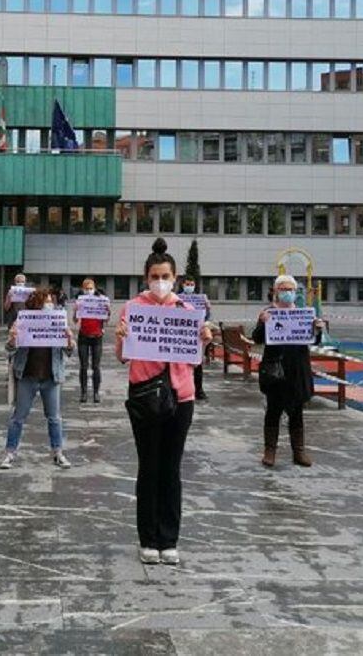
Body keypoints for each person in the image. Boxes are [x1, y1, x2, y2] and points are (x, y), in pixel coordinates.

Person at [116, 238, 212, 567]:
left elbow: (195, 361)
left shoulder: (187, 311)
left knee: (171, 468)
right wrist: (122, 336)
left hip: (180, 398)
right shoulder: (133, 308)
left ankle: (169, 539)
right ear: (146, 277)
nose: (160, 282)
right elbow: (122, 357)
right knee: (149, 467)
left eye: (166, 276)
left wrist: (203, 340)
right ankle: (148, 539)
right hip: (144, 397)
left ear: (175, 277)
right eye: (155, 276)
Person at [248, 274, 326, 469]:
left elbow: (313, 340)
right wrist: (263, 322)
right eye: (283, 289)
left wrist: (317, 329)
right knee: (273, 410)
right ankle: (270, 450)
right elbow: (257, 338)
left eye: (290, 289)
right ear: (275, 291)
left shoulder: (304, 314)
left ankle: (299, 451)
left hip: (297, 369)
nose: (287, 293)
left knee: (297, 411)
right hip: (275, 369)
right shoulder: (268, 313)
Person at [0, 288, 75, 470]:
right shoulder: (23, 322)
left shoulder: (58, 322)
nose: (50, 305)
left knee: (55, 418)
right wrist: (12, 339)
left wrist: (70, 340)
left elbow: (69, 352)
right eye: (46, 302)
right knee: (18, 417)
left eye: (51, 302)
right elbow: (10, 350)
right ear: (37, 305)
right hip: (27, 376)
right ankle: (10, 452)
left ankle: (58, 452)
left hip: (51, 377)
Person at [72, 277, 108, 404]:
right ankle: (83, 392)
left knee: (96, 366)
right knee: (83, 366)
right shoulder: (81, 301)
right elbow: (75, 321)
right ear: (83, 289)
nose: (89, 291)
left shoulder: (101, 300)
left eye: (91, 288)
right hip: (83, 336)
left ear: (95, 288)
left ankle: (96, 392)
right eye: (86, 289)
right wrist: (76, 310)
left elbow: (106, 319)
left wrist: (107, 309)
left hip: (97, 337)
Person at [181, 277, 211, 402]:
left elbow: (206, 317)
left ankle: (199, 390)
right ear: (183, 285)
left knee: (197, 364)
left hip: (196, 335)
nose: (190, 286)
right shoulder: (178, 298)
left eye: (192, 284)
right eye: (188, 284)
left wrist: (207, 308)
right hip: (182, 334)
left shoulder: (199, 299)